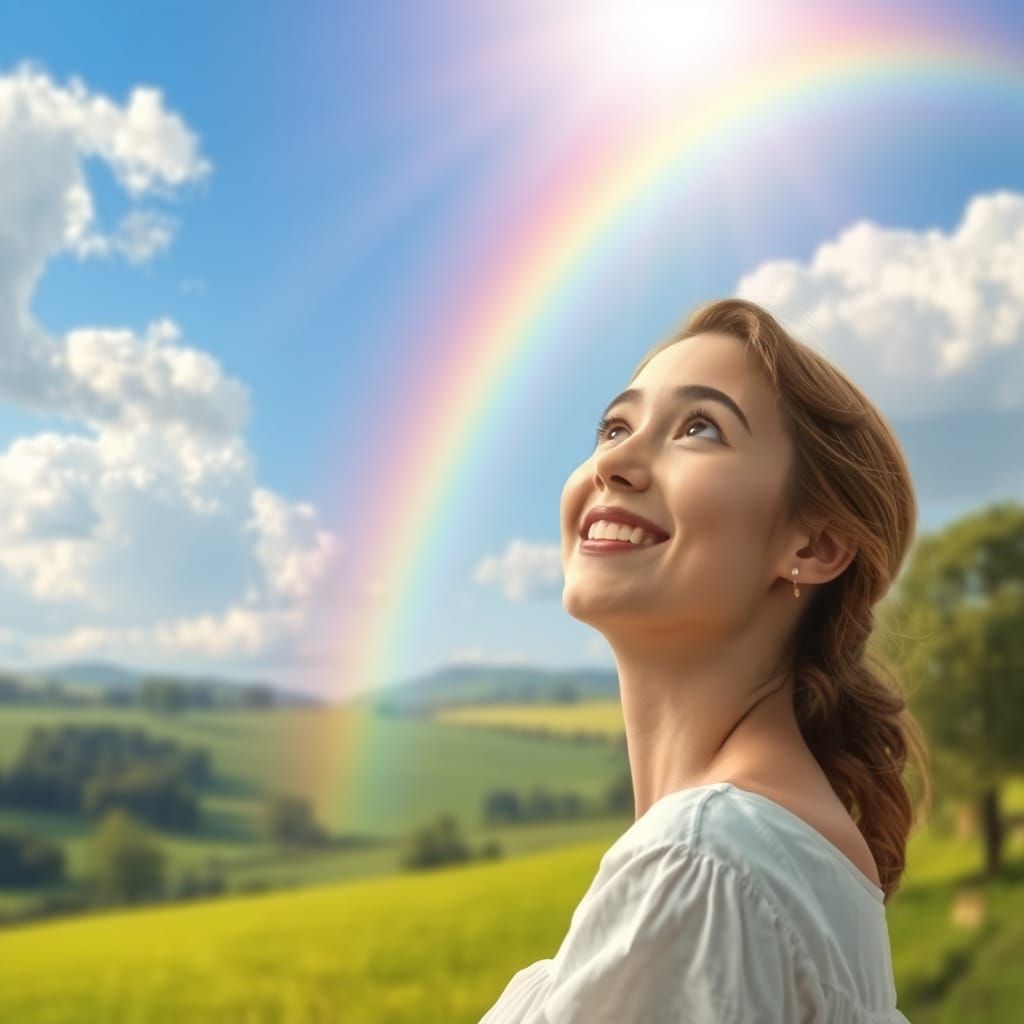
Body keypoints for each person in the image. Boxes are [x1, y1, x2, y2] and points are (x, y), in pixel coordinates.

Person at [480, 297, 930, 1023]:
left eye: (699, 428)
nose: (614, 463)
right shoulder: (747, 857)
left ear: (812, 547)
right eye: (615, 426)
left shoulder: (704, 864)